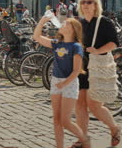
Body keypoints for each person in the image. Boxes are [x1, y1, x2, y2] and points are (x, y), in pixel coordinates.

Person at [73, 0, 121, 148]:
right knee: (79, 105)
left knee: (94, 105)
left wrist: (98, 50)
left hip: (97, 67)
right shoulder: (78, 22)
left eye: (89, 2)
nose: (86, 5)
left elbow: (114, 43)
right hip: (80, 68)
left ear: (96, 5)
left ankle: (114, 128)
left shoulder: (104, 22)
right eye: (83, 2)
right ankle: (83, 139)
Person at [34, 16, 90, 148]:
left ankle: (84, 139)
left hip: (69, 83)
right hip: (56, 81)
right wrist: (42, 21)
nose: (62, 24)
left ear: (73, 29)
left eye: (66, 24)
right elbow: (37, 36)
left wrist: (64, 84)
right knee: (56, 119)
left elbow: (76, 70)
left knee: (65, 120)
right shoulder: (57, 43)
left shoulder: (76, 47)